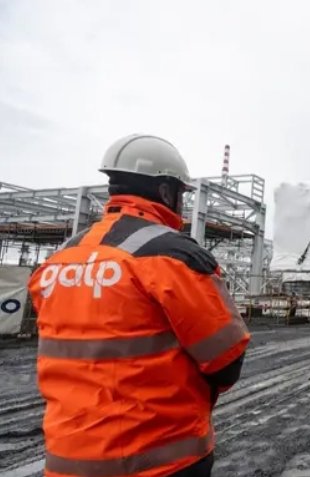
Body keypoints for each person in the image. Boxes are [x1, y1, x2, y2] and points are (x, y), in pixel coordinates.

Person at [29, 134, 250, 477]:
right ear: (166, 192)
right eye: (180, 194)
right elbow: (226, 361)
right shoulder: (173, 257)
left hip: (66, 461)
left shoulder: (57, 261)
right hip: (161, 461)